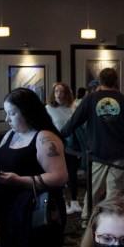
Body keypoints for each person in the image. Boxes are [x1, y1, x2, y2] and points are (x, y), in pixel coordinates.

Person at [0, 87, 69, 247]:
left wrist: (18, 181)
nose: (7, 119)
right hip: (10, 215)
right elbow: (2, 163)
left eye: (12, 113)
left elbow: (59, 177)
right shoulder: (11, 135)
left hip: (35, 219)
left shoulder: (45, 138)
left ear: (27, 111)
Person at [61, 68, 124, 228]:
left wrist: (59, 135)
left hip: (98, 152)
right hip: (120, 152)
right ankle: (109, 221)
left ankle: (87, 219)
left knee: (93, 189)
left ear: (99, 81)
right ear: (115, 81)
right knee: (114, 191)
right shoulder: (123, 99)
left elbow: (74, 121)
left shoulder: (91, 99)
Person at [45, 81, 82, 215]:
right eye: (57, 91)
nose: (59, 94)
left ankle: (74, 200)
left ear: (67, 93)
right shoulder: (48, 108)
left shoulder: (73, 107)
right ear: (53, 93)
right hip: (55, 146)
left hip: (71, 145)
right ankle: (62, 201)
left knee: (72, 174)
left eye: (62, 92)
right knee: (58, 175)